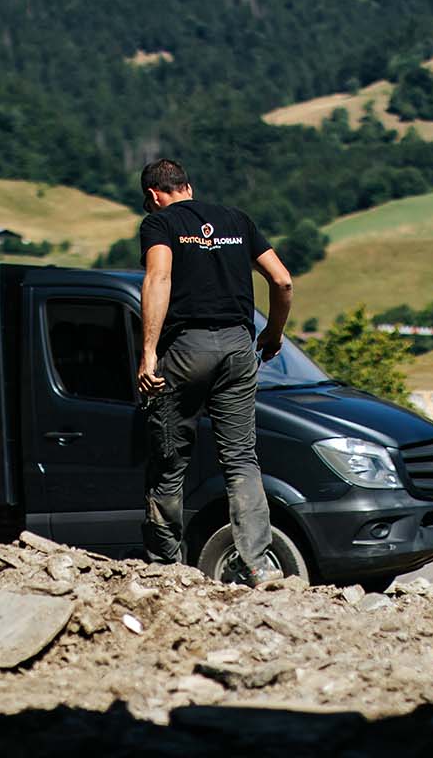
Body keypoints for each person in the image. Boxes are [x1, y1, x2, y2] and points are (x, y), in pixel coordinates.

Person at [136, 158, 294, 585]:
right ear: (189, 186)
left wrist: (148, 351)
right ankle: (258, 564)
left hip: (187, 349)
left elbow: (159, 278)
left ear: (154, 196)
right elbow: (281, 282)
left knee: (170, 460)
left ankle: (165, 566)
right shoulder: (236, 220)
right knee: (241, 458)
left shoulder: (160, 224)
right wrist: (273, 334)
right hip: (239, 348)